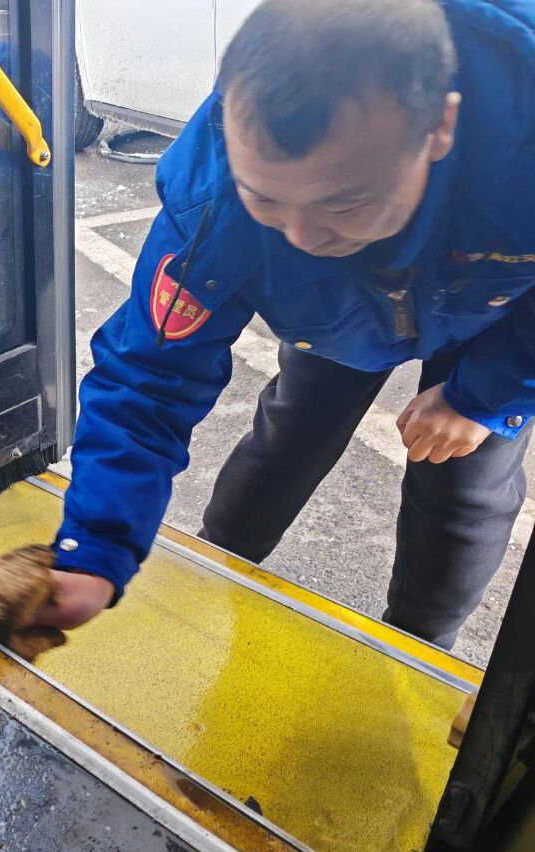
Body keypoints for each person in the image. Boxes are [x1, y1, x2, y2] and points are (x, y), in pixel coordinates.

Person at [43, 0, 535, 648]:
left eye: (343, 202)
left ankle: (416, 652)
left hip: (501, 315)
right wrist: (94, 552)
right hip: (339, 313)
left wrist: (489, 397)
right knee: (294, 431)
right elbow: (149, 378)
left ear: (438, 127)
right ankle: (218, 568)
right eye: (268, 200)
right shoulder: (216, 194)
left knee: (464, 487)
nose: (303, 240)